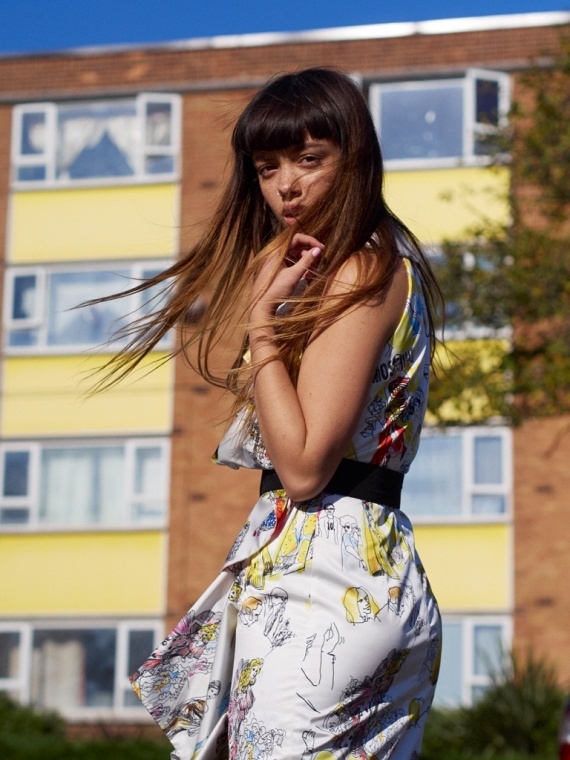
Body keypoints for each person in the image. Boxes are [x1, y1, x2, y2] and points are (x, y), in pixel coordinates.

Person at [122, 67, 442, 760]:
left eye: (309, 159)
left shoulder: (361, 270)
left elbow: (302, 467)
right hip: (366, 576)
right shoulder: (375, 269)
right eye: (268, 168)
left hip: (327, 588)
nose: (286, 186)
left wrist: (262, 325)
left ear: (354, 159)